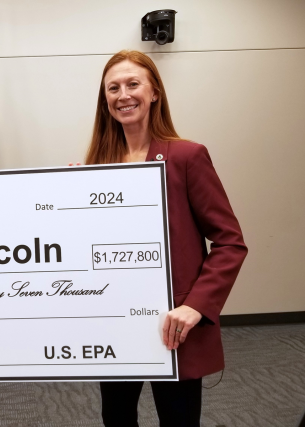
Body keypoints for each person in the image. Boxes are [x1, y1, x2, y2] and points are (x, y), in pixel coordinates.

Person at [84, 50, 248, 426]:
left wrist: (197, 306)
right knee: (117, 419)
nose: (123, 94)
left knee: (178, 421)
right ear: (105, 99)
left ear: (154, 92)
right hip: (116, 323)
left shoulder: (187, 157)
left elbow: (230, 242)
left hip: (174, 327)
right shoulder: (96, 166)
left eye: (133, 84)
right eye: (113, 88)